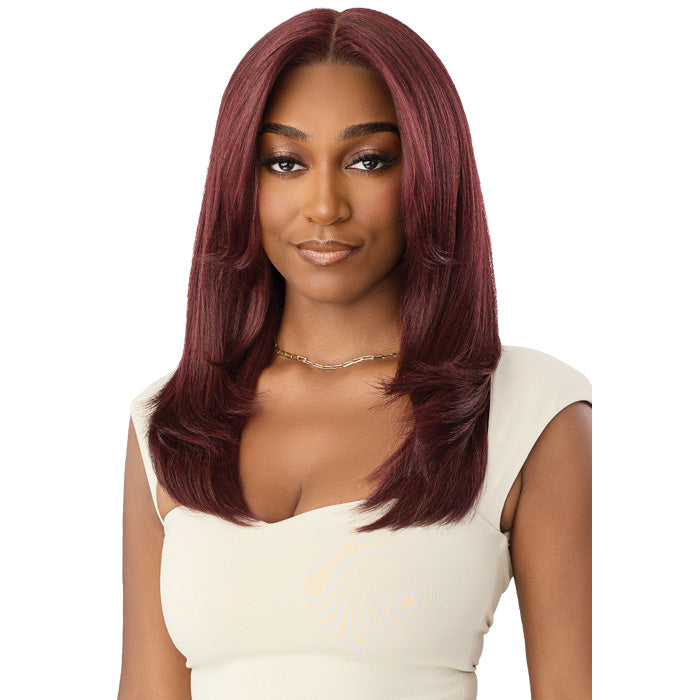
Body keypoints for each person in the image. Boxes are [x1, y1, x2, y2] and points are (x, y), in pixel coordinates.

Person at [118, 7, 592, 700]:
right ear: (241, 183)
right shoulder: (171, 419)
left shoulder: (528, 409)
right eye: (285, 162)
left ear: (431, 173)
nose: (324, 206)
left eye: (368, 160)